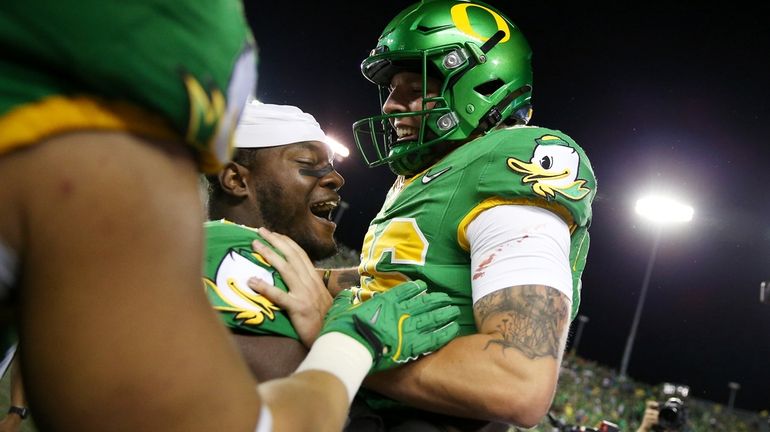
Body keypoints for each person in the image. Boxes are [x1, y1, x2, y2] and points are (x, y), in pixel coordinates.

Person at [0, 1, 460, 430]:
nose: (336, 181)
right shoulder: (227, 251)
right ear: (236, 179)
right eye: (307, 164)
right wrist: (352, 341)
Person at [336, 0, 598, 430]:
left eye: (414, 86)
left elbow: (517, 381)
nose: (389, 105)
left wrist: (338, 346)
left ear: (482, 82)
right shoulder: (439, 171)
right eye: (390, 89)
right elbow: (413, 273)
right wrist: (324, 283)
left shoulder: (506, 162)